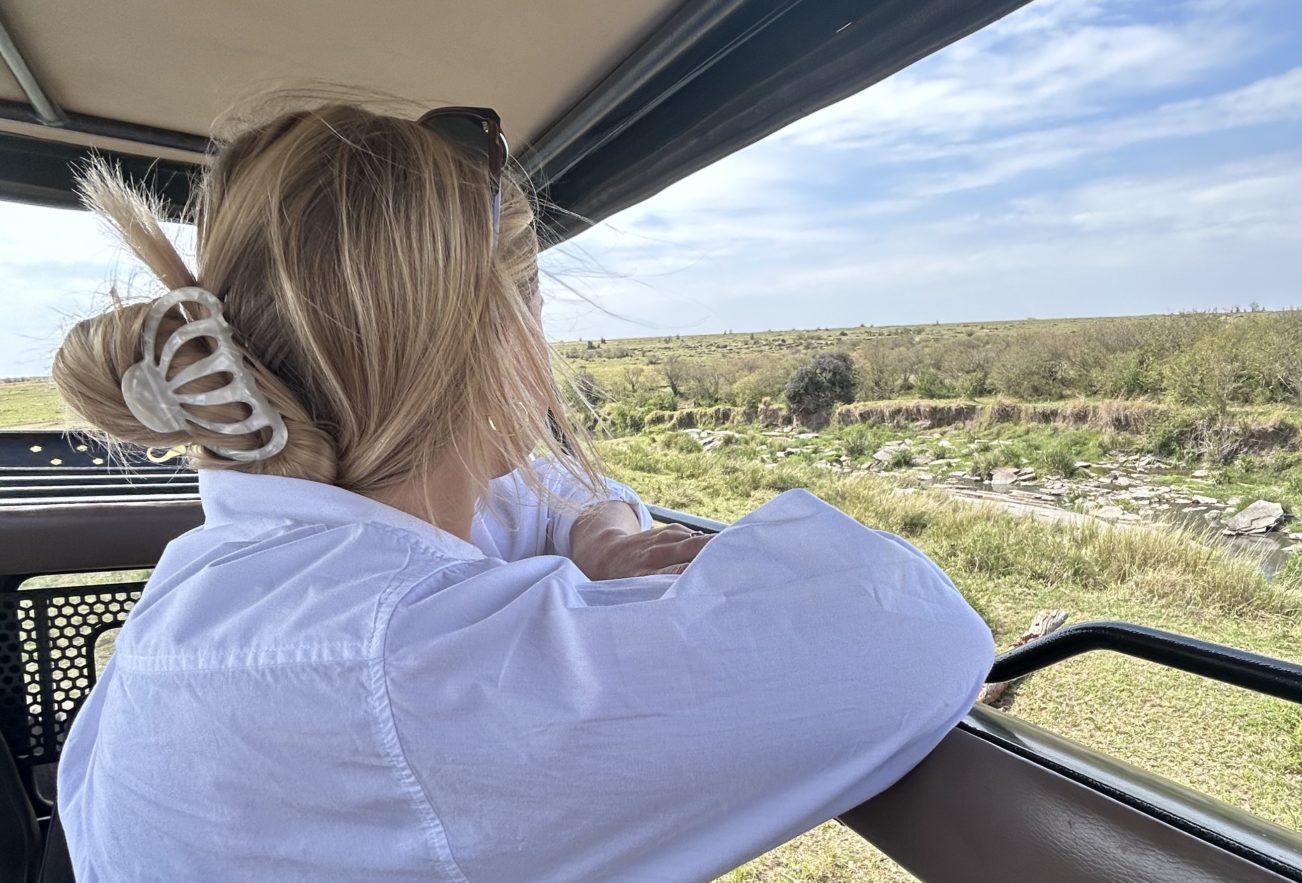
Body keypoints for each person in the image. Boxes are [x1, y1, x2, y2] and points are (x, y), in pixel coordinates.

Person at [50, 99, 996, 882]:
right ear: (497, 335)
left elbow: (534, 495)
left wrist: (605, 531)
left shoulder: (223, 579)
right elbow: (910, 631)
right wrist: (608, 531)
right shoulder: (409, 667)